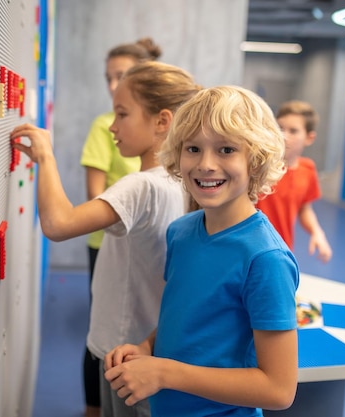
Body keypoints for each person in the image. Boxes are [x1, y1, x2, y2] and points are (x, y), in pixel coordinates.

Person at [10, 61, 201, 417]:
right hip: (154, 343)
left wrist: (45, 156)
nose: (112, 127)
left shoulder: (141, 185)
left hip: (124, 350)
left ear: (162, 121)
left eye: (122, 114)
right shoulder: (184, 182)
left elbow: (58, 223)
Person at [104, 86, 300, 416]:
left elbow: (279, 389)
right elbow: (182, 318)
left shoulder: (265, 259)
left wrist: (163, 372)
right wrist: (147, 347)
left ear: (255, 160)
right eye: (193, 148)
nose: (206, 164)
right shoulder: (181, 232)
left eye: (226, 150)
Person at [79, 37, 162, 417]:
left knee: (136, 327)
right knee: (104, 333)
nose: (114, 84)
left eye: (123, 76)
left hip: (139, 239)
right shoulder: (106, 129)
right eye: (109, 77)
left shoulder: (154, 179)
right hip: (106, 235)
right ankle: (93, 408)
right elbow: (93, 201)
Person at [256, 100, 333, 263]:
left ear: (309, 138)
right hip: (250, 247)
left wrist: (317, 232)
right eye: (280, 128)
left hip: (280, 251)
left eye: (293, 131)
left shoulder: (308, 169)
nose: (284, 135)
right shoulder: (258, 163)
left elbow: (304, 207)